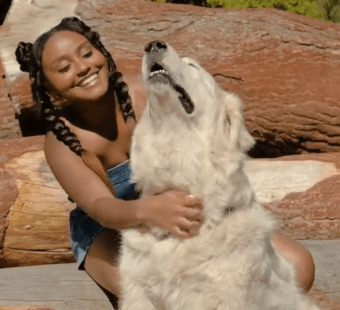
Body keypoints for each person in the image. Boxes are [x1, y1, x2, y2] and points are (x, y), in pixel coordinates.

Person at [15, 16, 315, 305]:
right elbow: (101, 208)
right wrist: (148, 209)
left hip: (177, 208)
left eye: (86, 53)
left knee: (297, 266)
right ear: (49, 90)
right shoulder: (61, 143)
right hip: (110, 229)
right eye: (64, 67)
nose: (82, 68)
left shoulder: (145, 91)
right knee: (157, 294)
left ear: (102, 52)